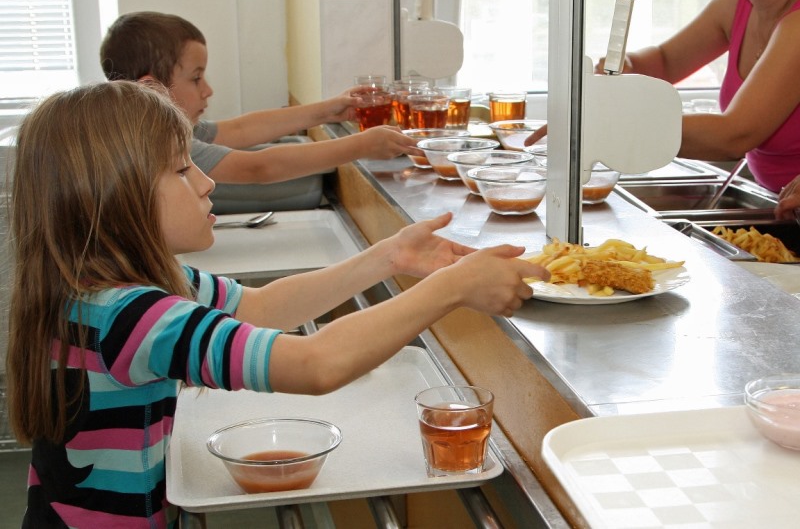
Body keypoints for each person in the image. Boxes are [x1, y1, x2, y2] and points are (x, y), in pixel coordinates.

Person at [5, 80, 549, 528]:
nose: (206, 179)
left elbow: (260, 307)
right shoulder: (134, 316)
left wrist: (388, 258)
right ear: (116, 196)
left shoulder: (107, 288)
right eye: (179, 169)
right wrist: (451, 288)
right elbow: (316, 365)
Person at [525, 0, 800, 218]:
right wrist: (629, 65)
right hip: (776, 201)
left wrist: (607, 123)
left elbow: (734, 135)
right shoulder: (736, 5)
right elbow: (666, 61)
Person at [99, 11, 419, 184]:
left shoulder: (155, 126)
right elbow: (258, 168)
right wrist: (361, 145)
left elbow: (238, 131)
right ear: (150, 88)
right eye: (196, 78)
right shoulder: (154, 141)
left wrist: (328, 110)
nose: (207, 90)